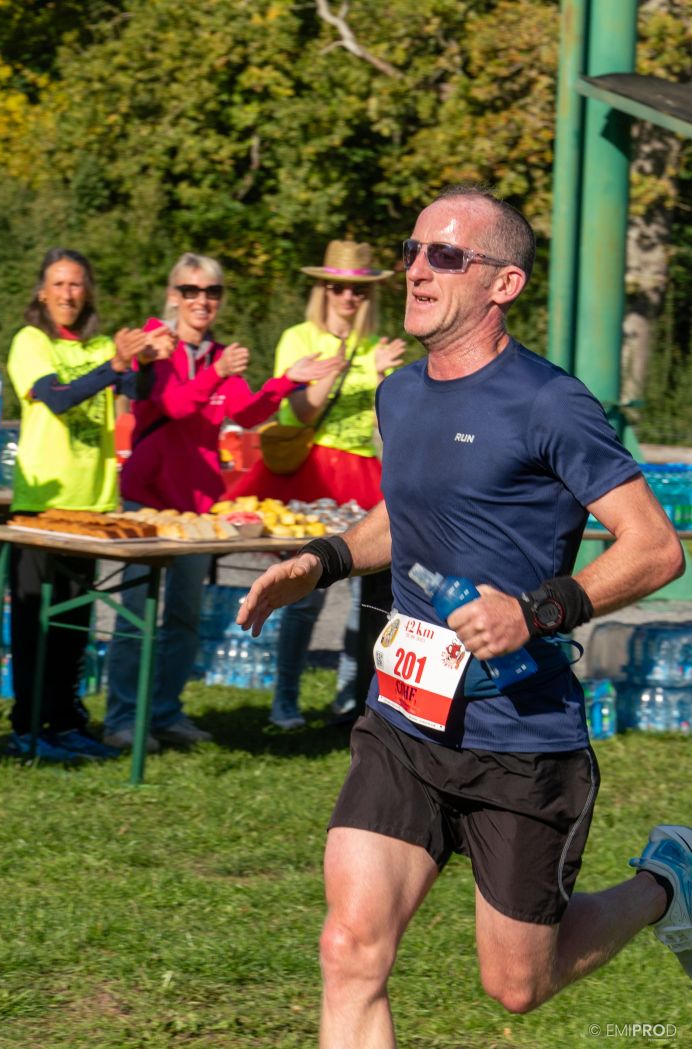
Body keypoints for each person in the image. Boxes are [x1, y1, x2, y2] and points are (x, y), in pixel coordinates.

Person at [237, 185, 690, 1046]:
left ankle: (666, 879)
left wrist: (538, 610)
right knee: (349, 945)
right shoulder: (401, 394)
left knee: (518, 984)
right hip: (404, 718)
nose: (415, 269)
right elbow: (406, 514)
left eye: (445, 256)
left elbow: (655, 547)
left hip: (518, 735)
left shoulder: (548, 402)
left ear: (503, 284)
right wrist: (321, 560)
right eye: (411, 250)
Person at [103, 252, 338, 753]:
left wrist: (289, 380)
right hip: (145, 502)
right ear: (173, 296)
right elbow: (172, 406)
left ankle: (164, 712)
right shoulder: (153, 344)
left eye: (212, 291)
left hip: (195, 509)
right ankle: (122, 718)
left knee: (184, 616)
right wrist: (217, 373)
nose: (202, 300)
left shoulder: (217, 355)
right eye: (191, 291)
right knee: (132, 616)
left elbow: (247, 413)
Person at [226, 240, 405, 729]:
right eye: (338, 288)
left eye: (358, 290)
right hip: (314, 473)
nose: (348, 298)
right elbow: (299, 410)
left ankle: (351, 701)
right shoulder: (298, 337)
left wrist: (388, 379)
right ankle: (285, 701)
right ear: (323, 290)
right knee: (305, 588)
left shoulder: (378, 345)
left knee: (366, 597)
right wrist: (345, 367)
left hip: (364, 473)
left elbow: (385, 422)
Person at [6, 247, 171, 762]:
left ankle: (66, 723)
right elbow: (55, 398)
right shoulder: (30, 342)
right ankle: (29, 729)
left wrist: (142, 360)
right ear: (41, 291)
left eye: (76, 284)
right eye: (58, 284)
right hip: (42, 509)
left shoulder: (101, 343)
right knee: (37, 625)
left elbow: (138, 393)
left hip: (95, 509)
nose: (67, 294)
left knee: (75, 628)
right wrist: (114, 363)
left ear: (88, 291)